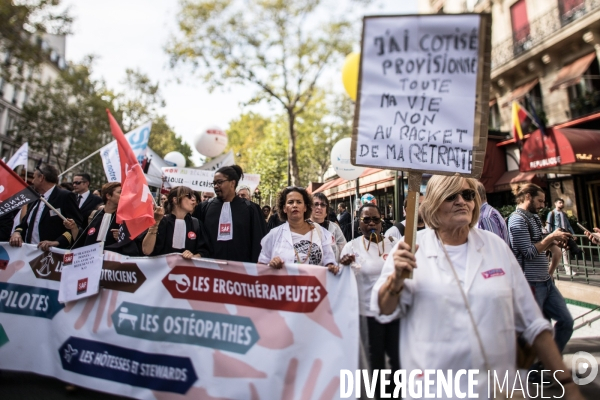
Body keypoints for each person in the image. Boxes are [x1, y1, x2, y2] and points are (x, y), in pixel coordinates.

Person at [372, 175, 584, 398]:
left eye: (468, 195)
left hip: (498, 389)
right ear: (434, 203)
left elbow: (533, 323)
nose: (461, 201)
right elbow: (383, 309)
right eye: (451, 196)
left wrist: (567, 384)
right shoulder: (410, 248)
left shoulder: (495, 246)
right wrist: (395, 280)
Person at [507, 183, 574, 362]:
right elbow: (528, 252)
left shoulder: (535, 218)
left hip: (545, 281)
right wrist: (551, 238)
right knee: (536, 331)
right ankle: (535, 369)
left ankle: (546, 364)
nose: (542, 205)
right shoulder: (517, 219)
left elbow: (542, 242)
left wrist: (556, 240)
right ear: (528, 197)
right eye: (539, 201)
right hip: (530, 283)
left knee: (566, 322)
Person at [340, 203, 399, 397]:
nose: (371, 223)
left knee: (397, 361)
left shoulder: (394, 244)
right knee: (375, 364)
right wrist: (343, 266)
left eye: (375, 219)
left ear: (382, 222)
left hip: (393, 313)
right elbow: (342, 279)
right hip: (366, 314)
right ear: (359, 223)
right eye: (366, 219)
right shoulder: (351, 247)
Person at [259, 186, 342, 274]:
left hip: (315, 286)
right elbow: (260, 267)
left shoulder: (320, 232)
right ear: (284, 208)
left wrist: (331, 266)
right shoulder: (274, 235)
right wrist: (271, 265)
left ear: (305, 207)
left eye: (299, 202)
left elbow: (329, 261)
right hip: (285, 287)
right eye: (290, 202)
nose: (295, 205)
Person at [194, 165, 267, 262]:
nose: (216, 186)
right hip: (210, 269)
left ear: (232, 183)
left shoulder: (250, 209)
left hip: (241, 270)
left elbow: (259, 241)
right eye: (214, 183)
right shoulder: (204, 208)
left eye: (220, 182)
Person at [10, 164, 83, 251]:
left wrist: (57, 242)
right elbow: (24, 224)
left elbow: (76, 225)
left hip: (49, 255)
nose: (32, 181)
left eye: (34, 177)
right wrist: (17, 233)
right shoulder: (35, 198)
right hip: (27, 252)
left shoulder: (65, 196)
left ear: (41, 178)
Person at [142, 186, 208, 258]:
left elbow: (204, 251)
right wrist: (155, 223)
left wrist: (193, 256)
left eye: (193, 196)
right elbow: (146, 250)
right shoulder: (161, 221)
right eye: (189, 196)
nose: (193, 199)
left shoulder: (196, 224)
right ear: (175, 200)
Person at [76, 182, 122, 248]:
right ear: (108, 196)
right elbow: (82, 239)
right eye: (120, 192)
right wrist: (73, 227)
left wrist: (122, 238)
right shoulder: (95, 215)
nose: (124, 195)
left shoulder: (124, 218)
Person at [310, 193, 346, 262]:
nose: (319, 207)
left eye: (323, 205)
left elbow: (344, 249)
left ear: (326, 211)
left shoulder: (334, 227)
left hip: (332, 270)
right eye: (316, 204)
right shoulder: (302, 226)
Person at [546, 198, 578, 275]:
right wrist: (549, 236)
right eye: (560, 202)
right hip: (556, 235)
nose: (562, 204)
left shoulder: (564, 214)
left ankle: (566, 270)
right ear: (555, 203)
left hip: (564, 235)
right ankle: (556, 269)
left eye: (562, 203)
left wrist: (573, 234)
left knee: (564, 252)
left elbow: (568, 225)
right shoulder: (552, 213)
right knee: (557, 252)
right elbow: (548, 225)